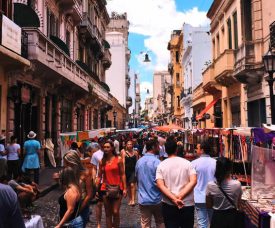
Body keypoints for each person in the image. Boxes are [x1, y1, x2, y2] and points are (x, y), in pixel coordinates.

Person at [156, 137, 197, 228]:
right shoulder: (188, 163)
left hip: (169, 204)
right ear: (176, 149)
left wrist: (174, 199)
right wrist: (180, 197)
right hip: (186, 203)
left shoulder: (161, 165)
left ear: (166, 150)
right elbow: (193, 181)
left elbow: (160, 185)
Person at [96, 140, 127, 228]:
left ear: (112, 148)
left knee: (115, 211)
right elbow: (99, 176)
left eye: (108, 147)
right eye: (104, 147)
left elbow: (122, 174)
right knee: (108, 213)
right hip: (105, 188)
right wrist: (96, 188)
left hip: (118, 187)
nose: (105, 149)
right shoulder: (102, 161)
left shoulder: (119, 159)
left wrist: (125, 188)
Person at [206, 157, 242, 228]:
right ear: (229, 170)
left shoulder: (210, 185)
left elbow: (209, 205)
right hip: (232, 219)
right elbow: (238, 204)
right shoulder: (237, 184)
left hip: (217, 218)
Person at [135, 139, 165, 228]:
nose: (159, 148)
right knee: (160, 222)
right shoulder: (158, 162)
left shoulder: (139, 161)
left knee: (145, 223)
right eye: (158, 146)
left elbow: (137, 178)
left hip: (143, 198)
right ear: (153, 147)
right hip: (157, 198)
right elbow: (162, 181)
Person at [63, 150, 92, 227]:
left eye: (67, 163)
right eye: (65, 163)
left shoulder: (85, 173)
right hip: (69, 204)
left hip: (82, 205)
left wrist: (80, 209)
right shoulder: (67, 172)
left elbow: (89, 194)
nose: (66, 165)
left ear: (74, 162)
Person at [191, 140, 216, 228]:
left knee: (202, 223)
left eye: (197, 148)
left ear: (202, 150)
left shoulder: (194, 163)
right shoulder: (215, 162)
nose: (196, 150)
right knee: (213, 222)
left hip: (199, 197)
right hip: (213, 196)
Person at [121, 140, 139, 206]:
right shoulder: (123, 152)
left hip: (133, 171)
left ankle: (133, 200)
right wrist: (123, 172)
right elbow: (123, 162)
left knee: (132, 185)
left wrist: (137, 171)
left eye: (130, 144)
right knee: (128, 186)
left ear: (132, 145)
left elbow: (137, 162)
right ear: (126, 145)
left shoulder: (135, 152)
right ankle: (130, 199)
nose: (129, 145)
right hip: (126, 171)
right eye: (128, 144)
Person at [91, 142, 104, 228]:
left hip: (109, 182)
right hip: (99, 181)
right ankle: (98, 223)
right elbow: (94, 168)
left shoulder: (113, 155)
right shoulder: (96, 154)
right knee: (98, 204)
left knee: (109, 204)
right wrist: (94, 180)